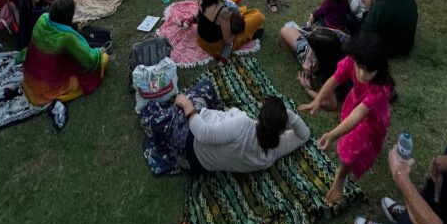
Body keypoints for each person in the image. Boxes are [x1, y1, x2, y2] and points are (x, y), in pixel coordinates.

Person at [299, 34, 394, 205]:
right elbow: (334, 80)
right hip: (355, 103)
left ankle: (340, 178)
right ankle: (343, 172)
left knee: (351, 149)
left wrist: (331, 135)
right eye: (360, 67)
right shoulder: (352, 60)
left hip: (371, 120)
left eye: (369, 70)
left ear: (380, 68)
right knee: (349, 140)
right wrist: (318, 100)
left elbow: (358, 116)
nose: (362, 74)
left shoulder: (381, 90)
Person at [157, 90, 310, 175]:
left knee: (202, 90)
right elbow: (304, 135)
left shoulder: (243, 124)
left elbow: (202, 133)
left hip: (187, 139)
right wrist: (289, 114)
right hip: (195, 165)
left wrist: (187, 106)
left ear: (260, 116)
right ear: (281, 130)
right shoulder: (270, 156)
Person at [22, 0, 110, 105]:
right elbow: (89, 61)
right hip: (48, 87)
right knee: (104, 59)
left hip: (30, 79)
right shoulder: (68, 37)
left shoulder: (42, 18)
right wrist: (100, 51)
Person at [195, 0, 265, 61]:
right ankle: (250, 34)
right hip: (215, 48)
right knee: (257, 16)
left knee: (239, 11)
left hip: (201, 39)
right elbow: (228, 41)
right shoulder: (223, 12)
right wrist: (236, 31)